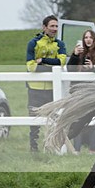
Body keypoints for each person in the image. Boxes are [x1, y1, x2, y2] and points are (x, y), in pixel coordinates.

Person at [26, 15, 67, 152]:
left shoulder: (60, 44)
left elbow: (61, 63)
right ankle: (34, 148)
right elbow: (31, 67)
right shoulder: (33, 43)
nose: (55, 29)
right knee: (34, 120)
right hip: (35, 88)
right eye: (52, 26)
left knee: (54, 119)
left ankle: (52, 147)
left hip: (52, 88)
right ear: (44, 27)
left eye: (56, 26)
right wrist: (51, 66)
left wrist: (43, 60)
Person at [67, 29, 95, 153]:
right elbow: (70, 69)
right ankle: (76, 150)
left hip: (93, 91)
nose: (88, 40)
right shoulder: (79, 52)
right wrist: (74, 55)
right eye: (86, 37)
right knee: (77, 120)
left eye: (90, 37)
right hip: (78, 91)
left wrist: (93, 67)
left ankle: (92, 150)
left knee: (91, 119)